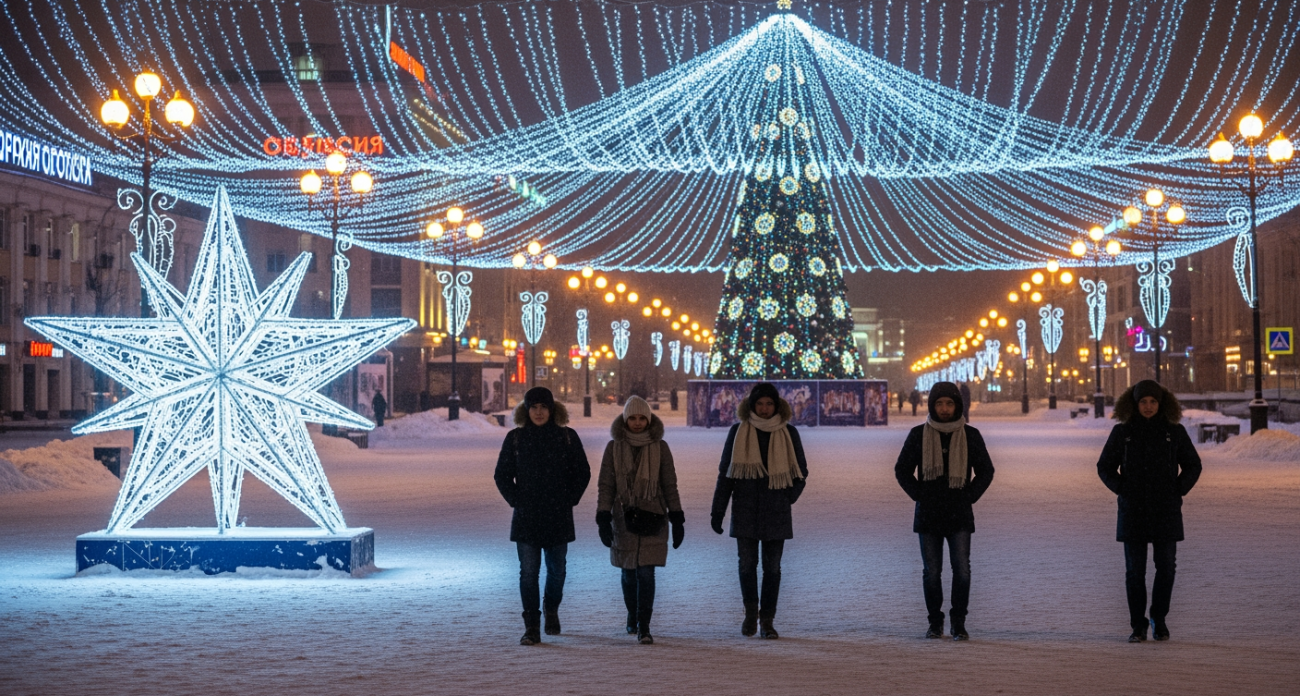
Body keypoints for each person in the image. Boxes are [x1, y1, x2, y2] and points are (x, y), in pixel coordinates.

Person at [1096, 380, 1201, 643]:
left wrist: (1178, 489)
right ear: (1134, 404)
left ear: (1161, 403)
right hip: (1133, 510)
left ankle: (1159, 619)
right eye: (1143, 401)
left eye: (1153, 401)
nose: (1148, 406)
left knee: (1166, 568)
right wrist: (1123, 488)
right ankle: (1138, 625)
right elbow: (1104, 466)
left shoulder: (1173, 432)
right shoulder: (1123, 433)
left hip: (1165, 510)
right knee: (1135, 571)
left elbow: (1193, 465)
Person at [894, 381, 995, 641]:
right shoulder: (919, 435)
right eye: (939, 403)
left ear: (957, 405)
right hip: (929, 515)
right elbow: (902, 470)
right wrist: (920, 495)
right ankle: (935, 622)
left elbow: (986, 471)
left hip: (959, 514)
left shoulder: (970, 435)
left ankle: (958, 622)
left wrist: (969, 496)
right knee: (932, 572)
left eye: (949, 403)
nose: (944, 408)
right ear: (932, 405)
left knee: (962, 570)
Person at [494, 387, 591, 645]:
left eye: (544, 407)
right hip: (527, 517)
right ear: (526, 410)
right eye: (534, 407)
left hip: (558, 516)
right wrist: (517, 500)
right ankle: (531, 626)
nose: (539, 412)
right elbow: (502, 475)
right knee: (528, 573)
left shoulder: (567, 437)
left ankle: (551, 608)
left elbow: (582, 472)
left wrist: (569, 499)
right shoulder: (515, 438)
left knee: (557, 571)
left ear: (552, 410)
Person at [710, 383, 808, 639]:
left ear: (777, 406)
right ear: (752, 406)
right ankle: (751, 614)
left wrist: (788, 497)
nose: (765, 409)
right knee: (747, 565)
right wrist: (717, 511)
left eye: (769, 404)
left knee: (772, 568)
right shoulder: (738, 432)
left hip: (776, 510)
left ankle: (767, 620)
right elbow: (726, 474)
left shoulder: (788, 433)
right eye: (760, 404)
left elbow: (801, 472)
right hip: (745, 509)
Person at [595, 396, 684, 645]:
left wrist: (677, 517)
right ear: (625, 419)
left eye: (642, 418)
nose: (637, 423)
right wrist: (603, 516)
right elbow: (606, 485)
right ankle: (632, 615)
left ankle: (644, 625)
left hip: (654, 515)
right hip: (623, 517)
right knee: (628, 572)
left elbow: (669, 485)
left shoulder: (660, 447)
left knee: (646, 572)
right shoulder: (614, 448)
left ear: (649, 419)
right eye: (632, 418)